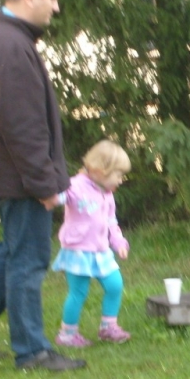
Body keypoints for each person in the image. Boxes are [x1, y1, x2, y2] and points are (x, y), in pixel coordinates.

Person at [0, 0, 86, 370]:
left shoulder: (0, 40)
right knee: (28, 261)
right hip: (22, 179)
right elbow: (23, 127)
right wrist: (43, 183)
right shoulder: (11, 47)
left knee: (9, 252)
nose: (56, 7)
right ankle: (32, 351)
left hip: (10, 176)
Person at [52, 140, 133, 347]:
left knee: (115, 285)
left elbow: (111, 221)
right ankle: (67, 334)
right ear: (99, 170)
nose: (121, 180)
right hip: (78, 250)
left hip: (101, 250)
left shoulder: (107, 194)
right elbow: (56, 198)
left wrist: (118, 241)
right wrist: (50, 194)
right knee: (78, 292)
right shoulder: (75, 186)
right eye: (118, 175)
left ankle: (108, 327)